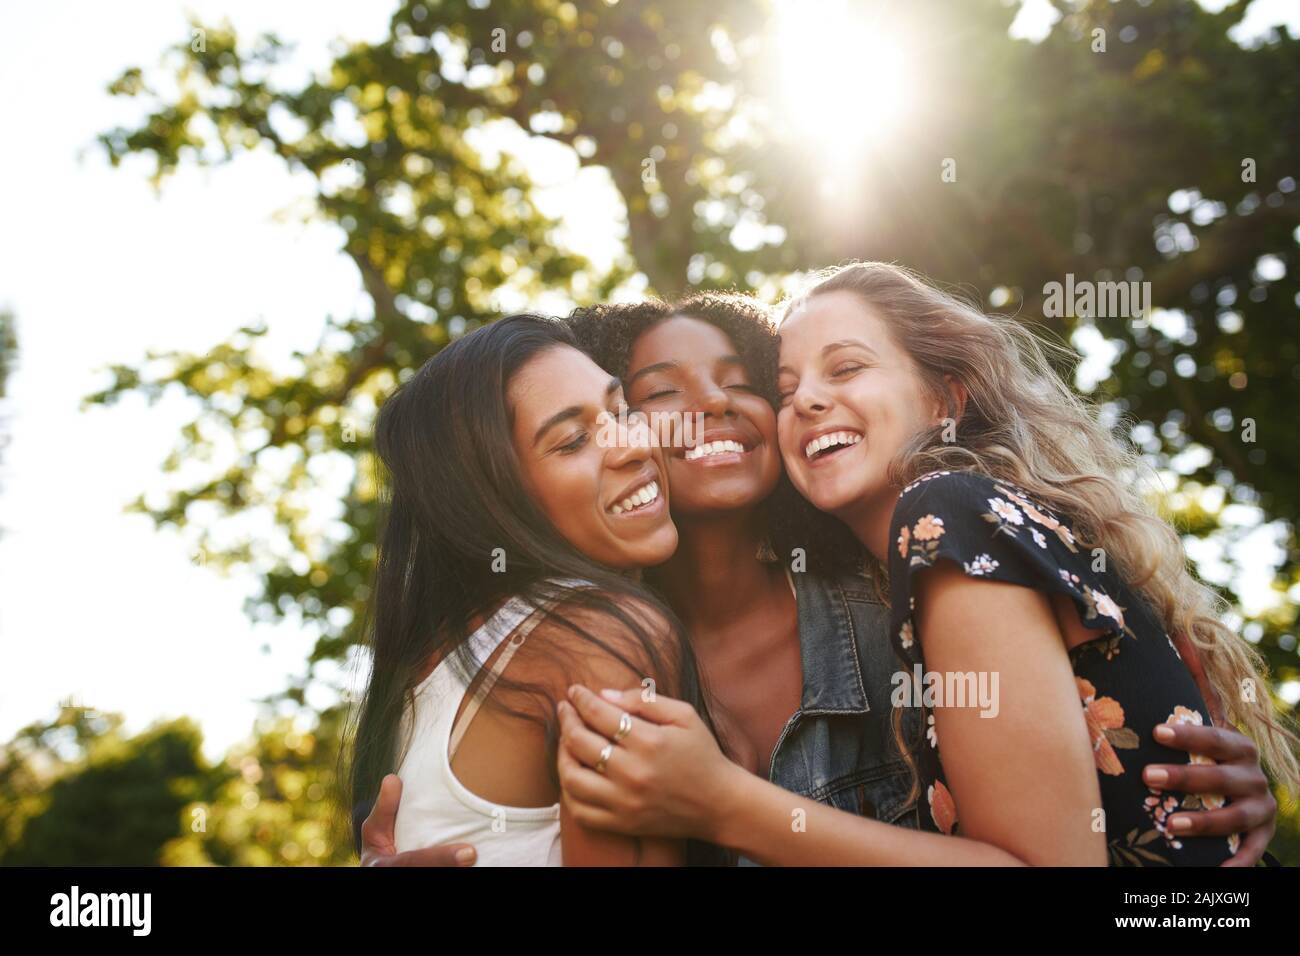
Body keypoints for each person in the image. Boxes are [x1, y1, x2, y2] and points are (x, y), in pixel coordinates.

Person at [359, 288, 1280, 866]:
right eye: (658, 394)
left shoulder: (913, 600)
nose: (710, 405)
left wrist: (1171, 792)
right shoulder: (569, 660)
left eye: (741, 378)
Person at [344, 313, 711, 866]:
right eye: (572, 441)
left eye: (620, 411)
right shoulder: (596, 632)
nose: (632, 446)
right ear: (492, 501)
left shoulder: (431, 663)